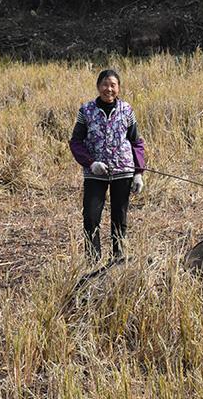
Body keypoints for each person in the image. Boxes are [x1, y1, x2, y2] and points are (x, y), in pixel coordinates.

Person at [69, 69, 145, 264]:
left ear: (118, 88)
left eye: (113, 85)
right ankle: (92, 262)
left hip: (123, 171)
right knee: (91, 217)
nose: (108, 89)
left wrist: (138, 173)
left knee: (119, 218)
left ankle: (118, 260)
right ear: (98, 86)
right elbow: (76, 142)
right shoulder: (86, 111)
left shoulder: (127, 110)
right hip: (95, 172)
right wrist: (91, 163)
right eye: (104, 84)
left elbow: (136, 142)